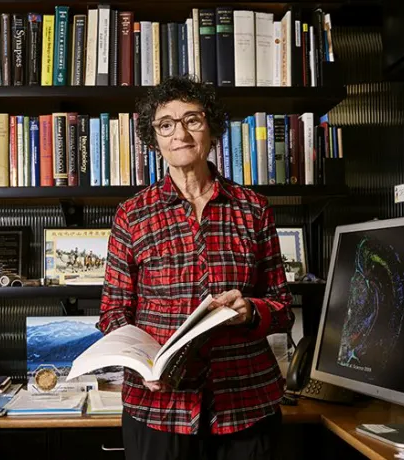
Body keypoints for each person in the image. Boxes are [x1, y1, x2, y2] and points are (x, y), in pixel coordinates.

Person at [97, 75, 295, 460]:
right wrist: (140, 362)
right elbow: (113, 312)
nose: (180, 133)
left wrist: (252, 311)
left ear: (212, 128)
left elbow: (282, 305)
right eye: (166, 124)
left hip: (245, 401)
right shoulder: (132, 214)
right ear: (154, 138)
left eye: (193, 119)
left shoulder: (253, 208)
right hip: (157, 406)